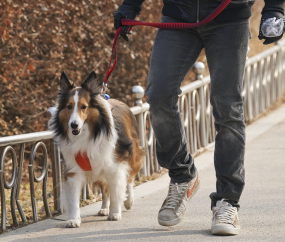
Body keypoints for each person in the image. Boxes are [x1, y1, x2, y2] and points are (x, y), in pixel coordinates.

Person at [113, 0, 284, 235]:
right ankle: (183, 175)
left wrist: (274, 8)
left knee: (227, 108)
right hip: (178, 14)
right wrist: (130, 6)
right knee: (159, 96)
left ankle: (227, 201)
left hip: (229, 17)